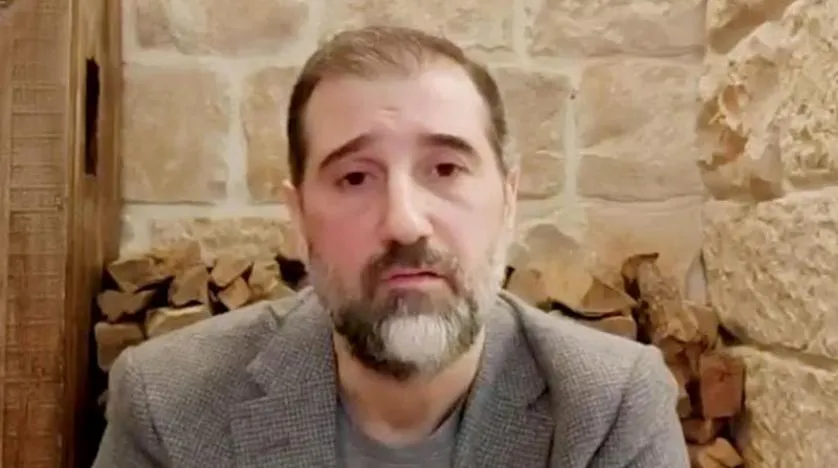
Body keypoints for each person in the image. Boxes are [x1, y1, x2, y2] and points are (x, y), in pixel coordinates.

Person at [92, 25, 689, 468]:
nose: (405, 223)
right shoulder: (170, 403)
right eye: (355, 177)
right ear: (298, 218)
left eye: (446, 169)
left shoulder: (609, 406)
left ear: (508, 200)